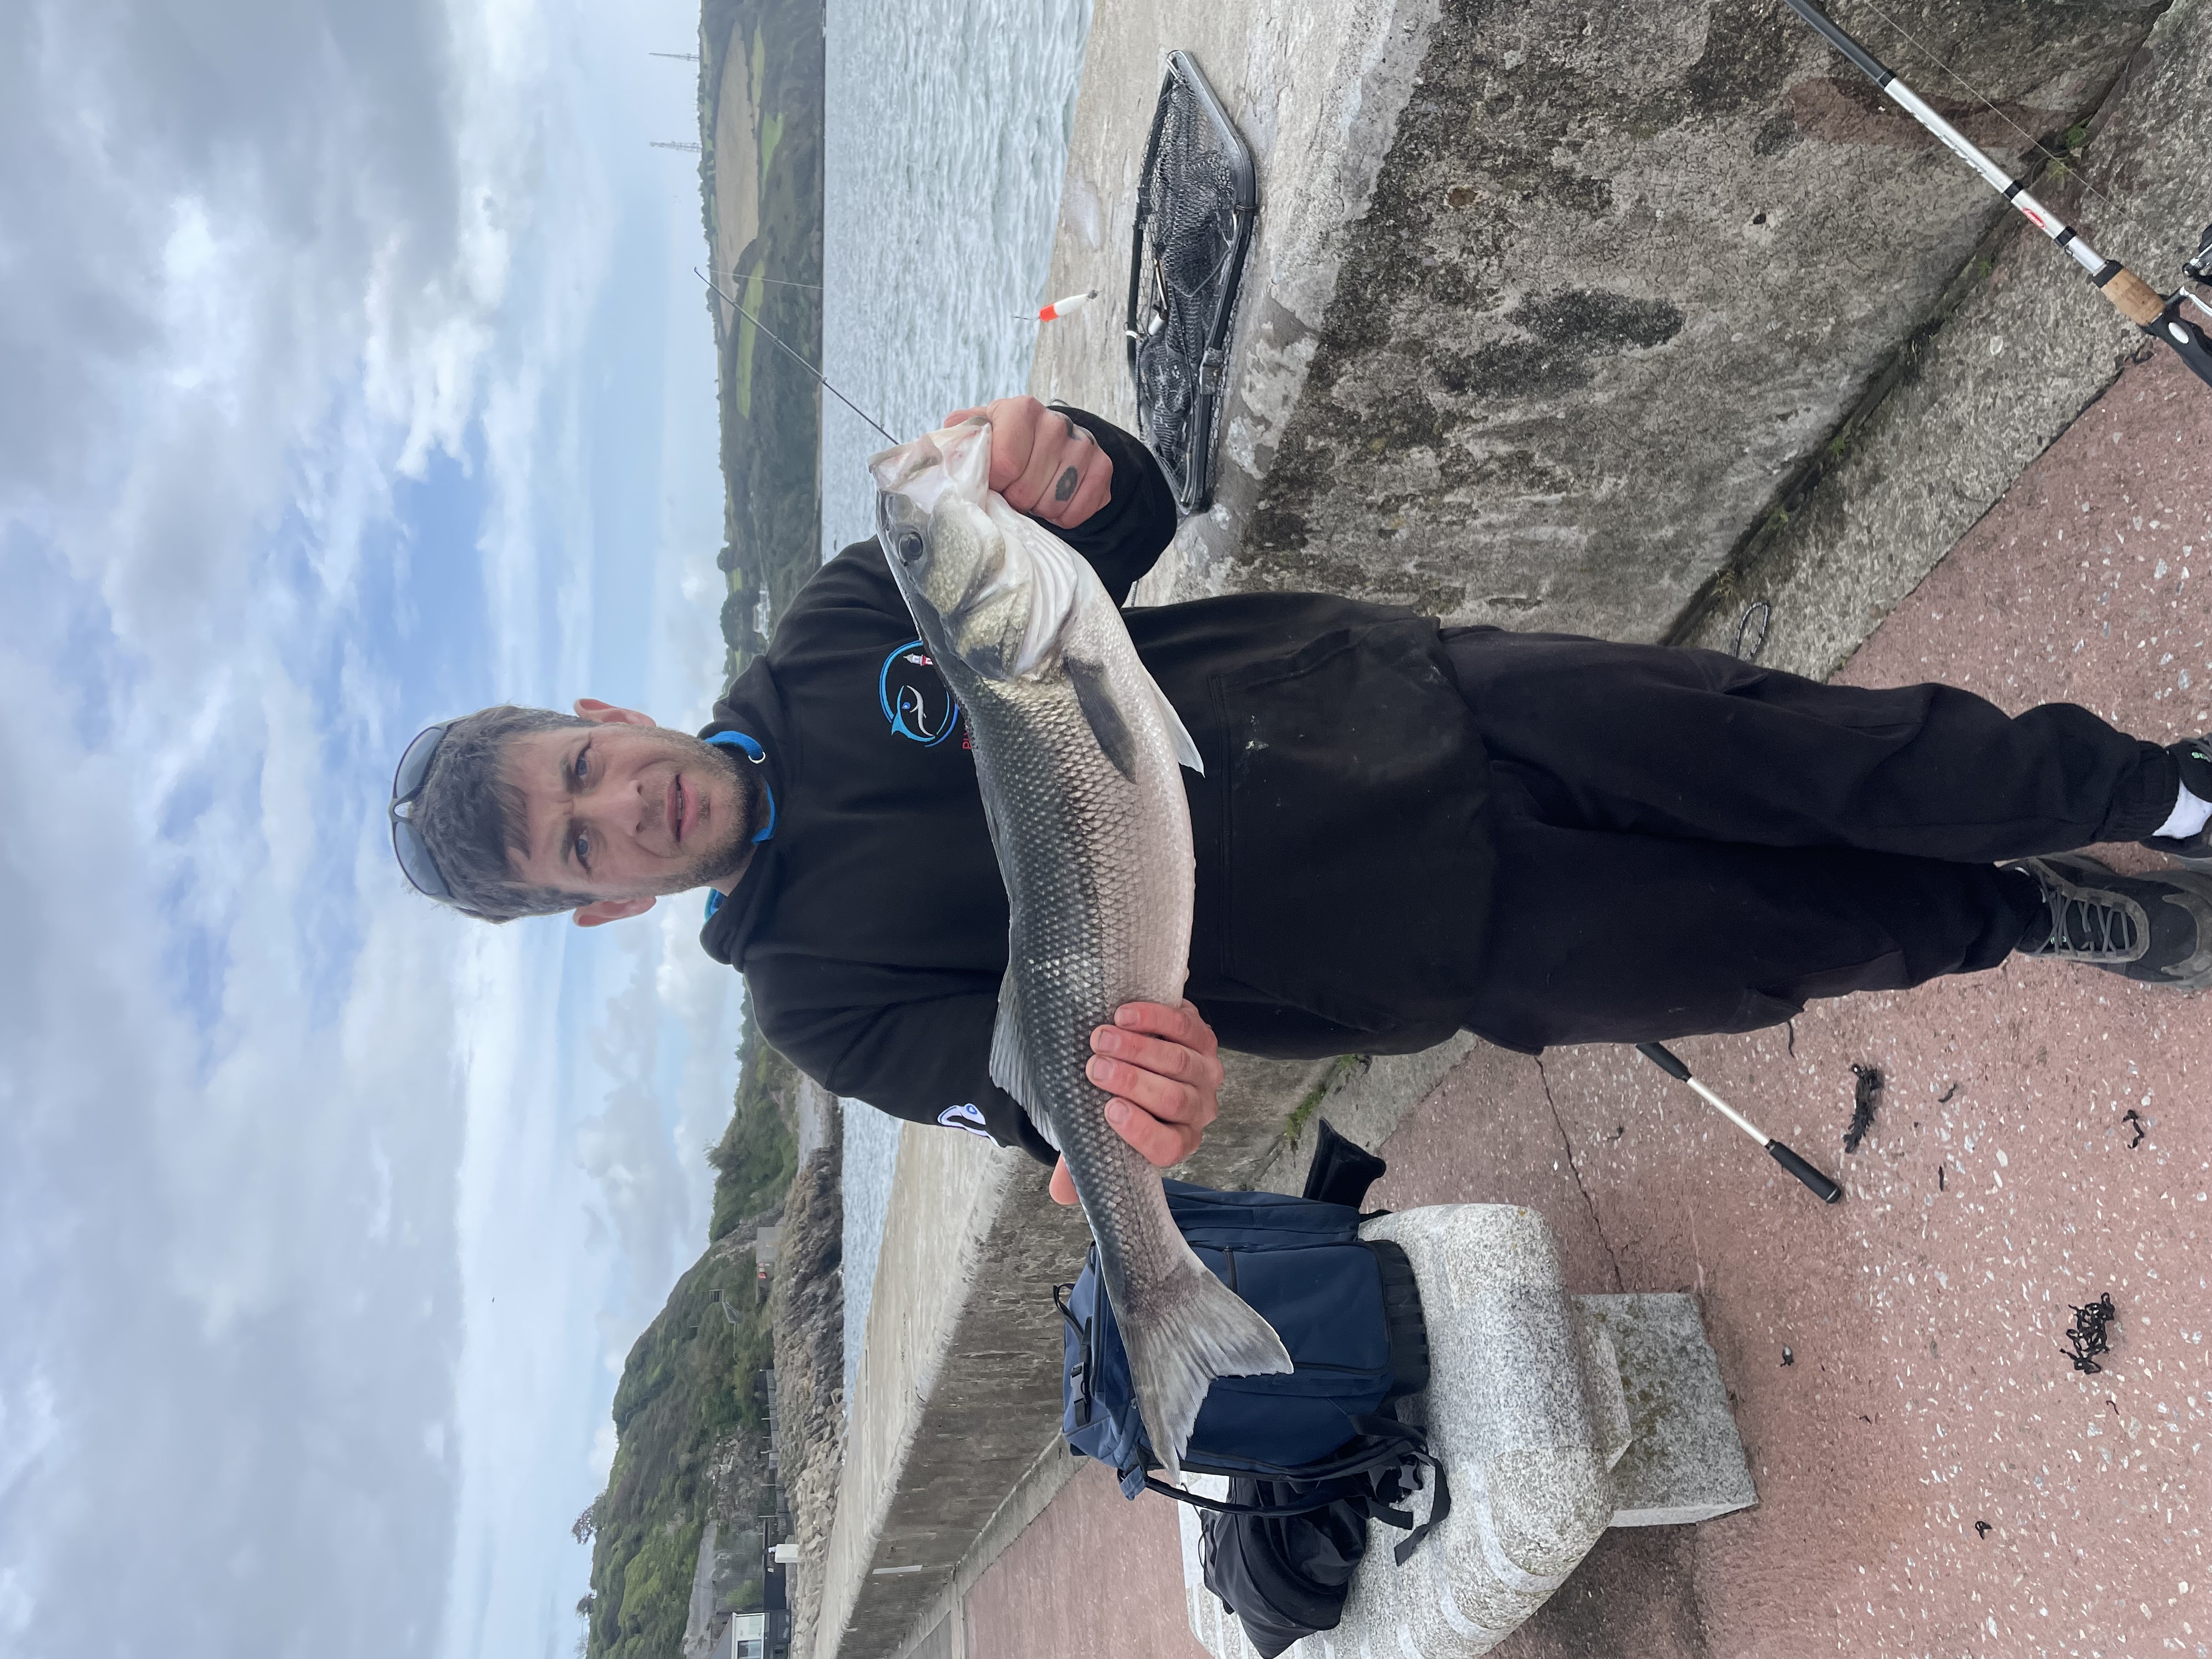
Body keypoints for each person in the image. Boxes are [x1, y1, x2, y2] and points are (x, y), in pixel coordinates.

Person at [387, 397, 2212, 1203]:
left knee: (1828, 751)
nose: (619, 808)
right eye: (579, 850)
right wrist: (1143, 1115)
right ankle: (2038, 911)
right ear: (603, 911)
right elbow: (1046, 1105)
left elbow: (1125, 522)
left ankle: (2156, 792)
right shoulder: (819, 1004)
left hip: (1419, 700)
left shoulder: (842, 610)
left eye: (581, 768)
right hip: (1421, 947)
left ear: (603, 709)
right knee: (1796, 941)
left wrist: (1076, 465)